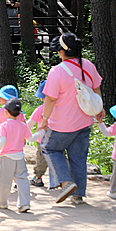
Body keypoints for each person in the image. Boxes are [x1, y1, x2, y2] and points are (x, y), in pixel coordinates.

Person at [39, 32, 105, 205]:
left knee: (49, 148)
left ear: (61, 51)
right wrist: (100, 108)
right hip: (85, 120)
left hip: (63, 123)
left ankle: (66, 183)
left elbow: (51, 98)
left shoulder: (57, 71)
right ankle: (79, 194)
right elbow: (96, 88)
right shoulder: (89, 65)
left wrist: (45, 118)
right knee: (79, 157)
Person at [0, 98, 33, 212]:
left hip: (7, 157)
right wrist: (41, 132)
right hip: (20, 157)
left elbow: (1, 141)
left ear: (6, 112)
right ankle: (24, 203)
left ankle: (1, 202)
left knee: (4, 180)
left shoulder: (4, 126)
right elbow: (31, 138)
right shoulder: (23, 125)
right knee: (23, 180)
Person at [0, 85, 25, 186]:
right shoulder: (20, 113)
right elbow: (24, 124)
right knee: (15, 162)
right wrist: (23, 138)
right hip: (16, 141)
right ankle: (17, 182)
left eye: (1, 96)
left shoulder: (1, 111)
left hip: (2, 141)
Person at [27, 81, 57, 188]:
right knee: (58, 157)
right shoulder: (59, 108)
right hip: (58, 138)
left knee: (41, 159)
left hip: (42, 139)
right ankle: (62, 178)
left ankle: (38, 178)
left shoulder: (40, 109)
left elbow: (29, 124)